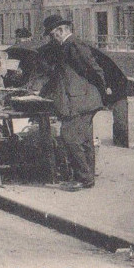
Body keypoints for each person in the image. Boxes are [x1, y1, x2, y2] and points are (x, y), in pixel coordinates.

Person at [40, 15, 108, 191]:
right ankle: (87, 178)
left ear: (61, 31)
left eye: (53, 35)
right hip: (81, 100)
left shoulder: (74, 45)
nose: (52, 39)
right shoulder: (66, 46)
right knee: (84, 140)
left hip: (80, 101)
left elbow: (94, 70)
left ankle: (83, 178)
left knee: (69, 137)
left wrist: (99, 91)